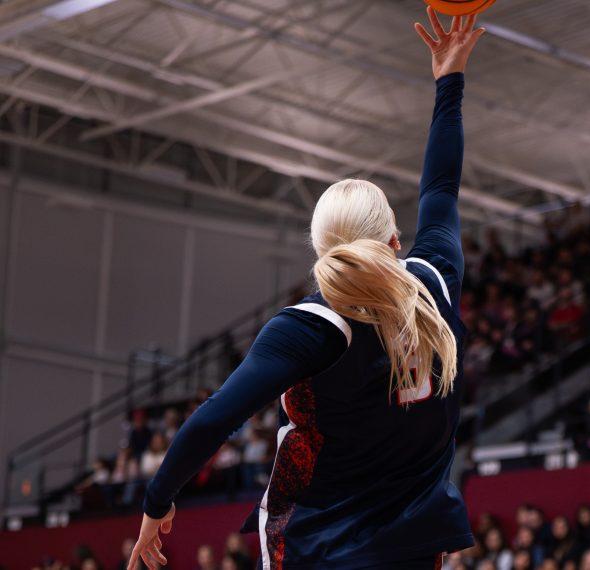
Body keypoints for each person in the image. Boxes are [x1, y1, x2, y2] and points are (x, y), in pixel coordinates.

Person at [127, 9, 486, 569]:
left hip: (324, 545)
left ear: (321, 252)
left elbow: (216, 416)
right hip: (415, 546)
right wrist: (450, 80)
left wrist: (157, 501)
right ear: (395, 239)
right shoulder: (435, 280)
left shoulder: (312, 326)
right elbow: (441, 185)